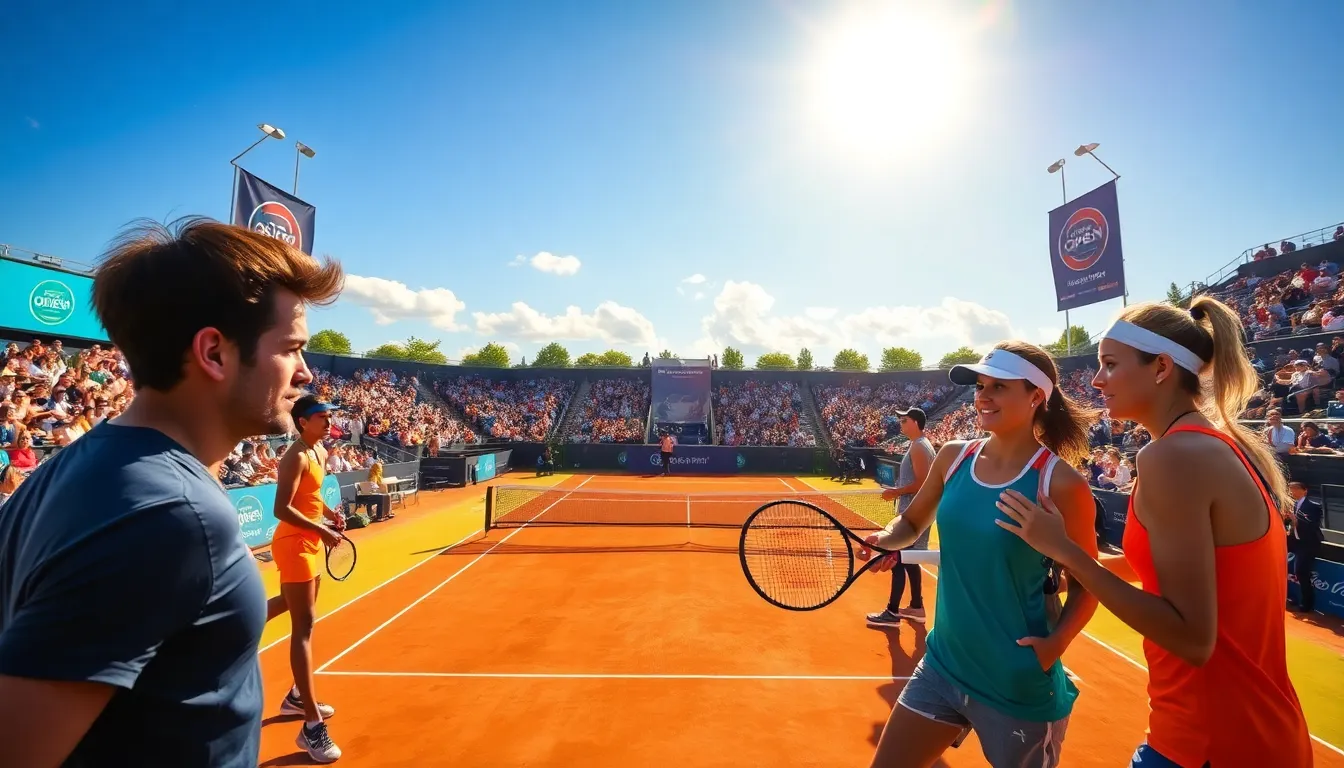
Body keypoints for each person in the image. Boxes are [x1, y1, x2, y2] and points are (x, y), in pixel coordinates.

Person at [0, 217, 342, 767]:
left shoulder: (67, 474)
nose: (304, 373)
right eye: (291, 349)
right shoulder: (174, 516)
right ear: (214, 353)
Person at [995, 297, 1312, 767]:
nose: (1096, 380)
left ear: (1161, 367)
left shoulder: (1173, 457)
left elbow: (1191, 638)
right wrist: (1072, 569)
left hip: (1211, 741)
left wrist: (1065, 550)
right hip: (1244, 734)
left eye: (1109, 364)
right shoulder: (1208, 446)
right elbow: (1182, 569)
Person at [861, 342, 1100, 768]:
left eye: (998, 387)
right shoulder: (953, 456)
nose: (983, 396)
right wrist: (885, 538)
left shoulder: (1062, 484)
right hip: (943, 665)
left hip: (1015, 681)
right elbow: (911, 523)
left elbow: (1087, 584)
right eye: (980, 386)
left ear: (1036, 396)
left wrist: (1053, 647)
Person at [270, 394, 347, 763]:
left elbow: (311, 496)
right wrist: (321, 529)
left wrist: (329, 516)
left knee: (293, 605)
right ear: (303, 421)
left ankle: (296, 698)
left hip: (311, 540)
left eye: (329, 417)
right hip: (294, 544)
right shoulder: (296, 456)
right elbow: (280, 508)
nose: (328, 422)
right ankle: (311, 727)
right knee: (304, 625)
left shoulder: (319, 451)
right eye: (321, 417)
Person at [866, 407, 935, 628]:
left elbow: (923, 483)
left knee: (896, 560)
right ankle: (916, 607)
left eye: (905, 420)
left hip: (912, 516)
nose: (901, 424)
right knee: (909, 560)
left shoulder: (919, 446)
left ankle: (892, 612)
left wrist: (895, 492)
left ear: (915, 423)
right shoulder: (920, 445)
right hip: (915, 514)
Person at [1287, 481, 1324, 614]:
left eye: (1295, 489)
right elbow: (1288, 523)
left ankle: (1306, 603)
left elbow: (1313, 525)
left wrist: (1296, 521)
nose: (1292, 492)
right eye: (1290, 489)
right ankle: (1286, 596)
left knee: (1301, 572)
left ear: (1305, 491)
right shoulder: (1291, 505)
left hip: (1307, 543)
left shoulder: (1314, 506)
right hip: (1293, 541)